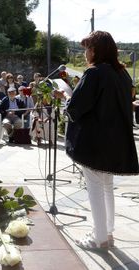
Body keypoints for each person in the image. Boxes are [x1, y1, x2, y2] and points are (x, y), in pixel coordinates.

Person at [64, 31, 139, 250]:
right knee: (107, 186)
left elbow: (76, 108)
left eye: (87, 48)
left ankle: (99, 238)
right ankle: (108, 232)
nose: (85, 53)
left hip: (95, 142)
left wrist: (67, 97)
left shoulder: (95, 73)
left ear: (96, 50)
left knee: (95, 187)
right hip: (115, 141)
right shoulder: (122, 73)